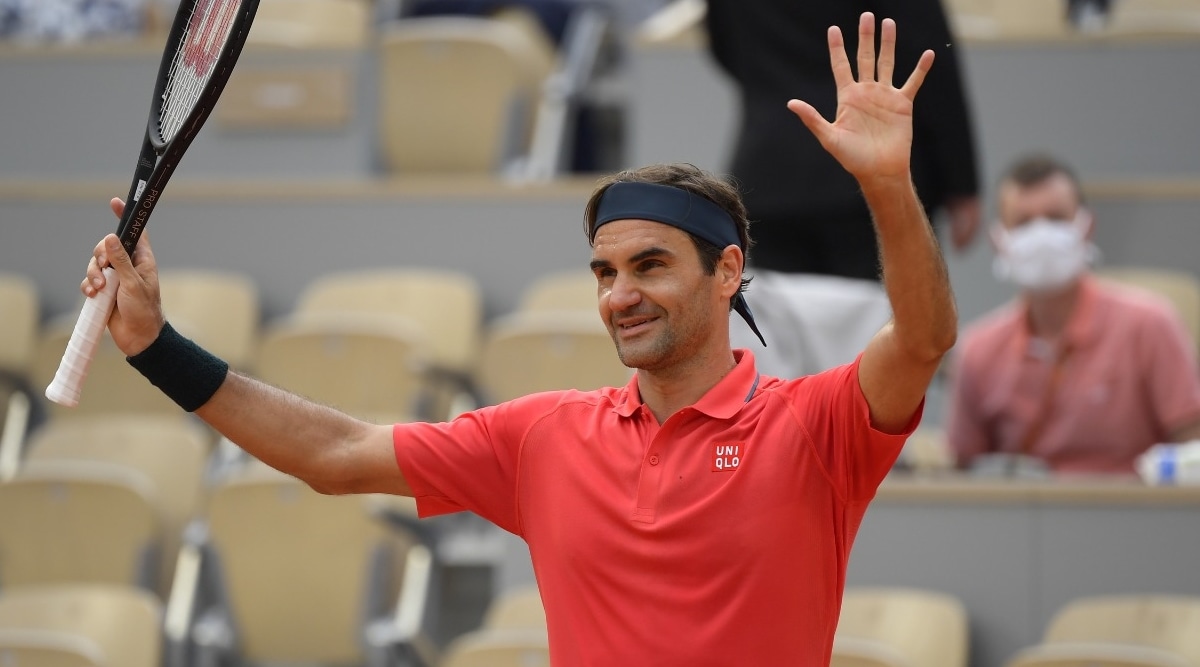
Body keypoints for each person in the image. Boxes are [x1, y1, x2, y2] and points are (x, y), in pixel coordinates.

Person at [79, 13, 956, 665]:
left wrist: (886, 185)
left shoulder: (814, 426)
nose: (621, 296)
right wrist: (157, 347)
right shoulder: (543, 436)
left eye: (651, 266)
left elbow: (920, 341)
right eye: (605, 274)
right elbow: (336, 453)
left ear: (728, 272)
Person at [705, 0, 980, 378]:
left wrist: (779, 90)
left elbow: (723, 45)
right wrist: (961, 183)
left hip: (772, 169)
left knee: (783, 343)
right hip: (863, 174)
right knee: (879, 339)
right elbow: (930, 62)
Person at [945, 153, 1200, 476]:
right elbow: (961, 472)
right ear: (999, 241)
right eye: (1023, 222)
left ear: (1086, 226)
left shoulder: (1150, 325)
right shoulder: (978, 348)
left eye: (1056, 218)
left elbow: (1193, 449)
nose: (1041, 235)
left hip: (1136, 516)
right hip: (1022, 519)